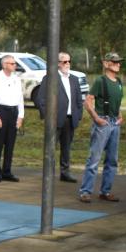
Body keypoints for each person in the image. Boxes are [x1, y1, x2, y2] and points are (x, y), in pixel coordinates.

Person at [78, 52, 125, 203]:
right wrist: (96, 118)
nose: (118, 64)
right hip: (102, 123)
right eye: (115, 61)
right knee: (94, 159)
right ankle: (85, 191)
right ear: (106, 64)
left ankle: (105, 191)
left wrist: (120, 115)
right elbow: (87, 102)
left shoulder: (119, 82)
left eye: (119, 62)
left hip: (114, 124)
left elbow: (116, 103)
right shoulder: (100, 81)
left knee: (112, 160)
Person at [34, 52, 83, 182]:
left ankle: (65, 172)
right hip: (54, 121)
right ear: (58, 63)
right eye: (64, 62)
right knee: (50, 148)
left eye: (69, 61)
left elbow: (78, 100)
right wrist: (48, 117)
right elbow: (40, 100)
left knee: (66, 148)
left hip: (70, 119)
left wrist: (78, 116)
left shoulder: (74, 79)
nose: (68, 64)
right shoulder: (50, 78)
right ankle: (48, 174)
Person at [0, 54, 24, 182]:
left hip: (13, 112)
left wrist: (20, 116)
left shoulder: (16, 79)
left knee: (10, 144)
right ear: (4, 65)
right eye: (12, 63)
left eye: (15, 63)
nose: (15, 65)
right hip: (0, 111)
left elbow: (20, 98)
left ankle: (7, 171)